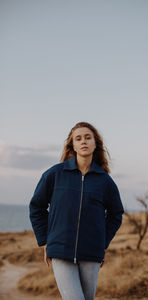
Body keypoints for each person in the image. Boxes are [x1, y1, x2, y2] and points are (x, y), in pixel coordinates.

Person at [29, 121, 124, 300]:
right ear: (72, 144)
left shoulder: (104, 181)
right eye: (78, 138)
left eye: (88, 138)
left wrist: (102, 242)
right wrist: (45, 240)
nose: (83, 141)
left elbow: (116, 214)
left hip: (91, 252)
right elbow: (37, 206)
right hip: (60, 250)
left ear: (96, 143)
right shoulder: (55, 174)